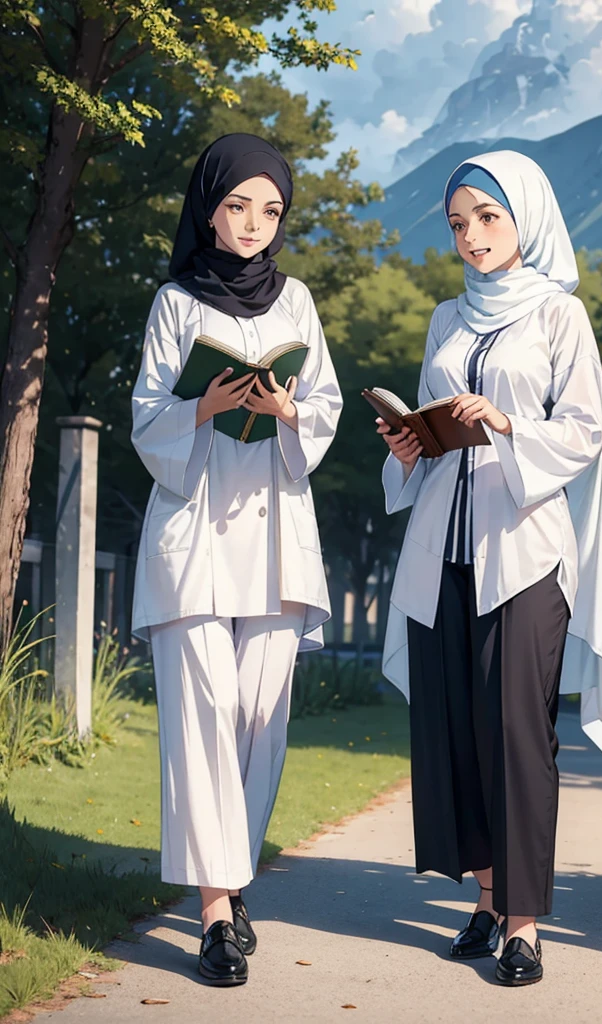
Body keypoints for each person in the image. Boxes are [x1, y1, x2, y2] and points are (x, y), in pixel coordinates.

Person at [375, 151, 602, 987]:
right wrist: (408, 443)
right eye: (457, 223)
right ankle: (486, 901)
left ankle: (525, 925)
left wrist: (511, 426)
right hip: (440, 550)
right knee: (453, 731)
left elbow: (586, 432)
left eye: (487, 217)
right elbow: (429, 423)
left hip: (523, 554)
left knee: (519, 736)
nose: (472, 235)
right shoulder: (445, 319)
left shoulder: (561, 315)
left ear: (524, 217)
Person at [130, 133, 342, 986]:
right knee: (202, 718)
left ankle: (235, 875)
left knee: (262, 716)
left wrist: (290, 411)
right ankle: (216, 912)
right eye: (237, 205)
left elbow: (323, 403)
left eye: (271, 209)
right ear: (208, 206)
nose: (254, 223)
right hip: (195, 535)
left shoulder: (298, 303)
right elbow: (148, 417)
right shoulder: (175, 304)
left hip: (276, 537)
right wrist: (203, 406)